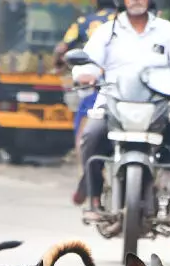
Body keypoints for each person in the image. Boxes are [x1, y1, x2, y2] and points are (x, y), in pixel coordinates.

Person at [72, 0, 170, 226]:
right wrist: (84, 74)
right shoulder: (107, 31)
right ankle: (94, 199)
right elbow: (88, 65)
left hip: (160, 105)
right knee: (92, 134)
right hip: (113, 103)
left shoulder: (168, 31)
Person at [52, 0, 118, 207]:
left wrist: (57, 64)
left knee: (85, 133)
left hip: (98, 85)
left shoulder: (85, 22)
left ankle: (86, 174)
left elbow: (62, 48)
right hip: (127, 88)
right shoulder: (126, 23)